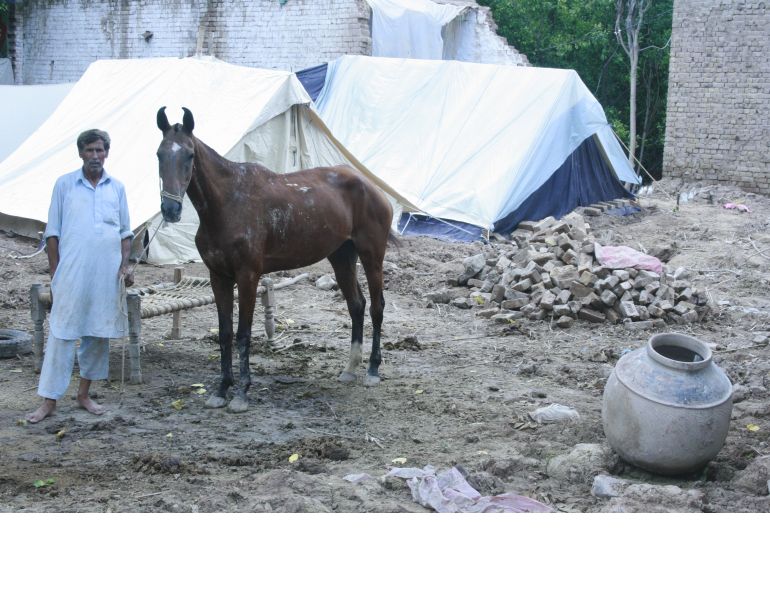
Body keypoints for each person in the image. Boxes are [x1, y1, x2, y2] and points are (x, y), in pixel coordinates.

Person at [26, 129, 135, 423]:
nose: (95, 156)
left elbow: (126, 233)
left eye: (100, 150)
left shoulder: (118, 188)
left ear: (107, 153)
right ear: (80, 153)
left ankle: (84, 395)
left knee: (97, 334)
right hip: (72, 275)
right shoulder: (64, 185)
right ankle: (48, 401)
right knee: (62, 334)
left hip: (106, 276)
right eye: (90, 151)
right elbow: (53, 234)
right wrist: (56, 274)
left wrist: (125, 266)